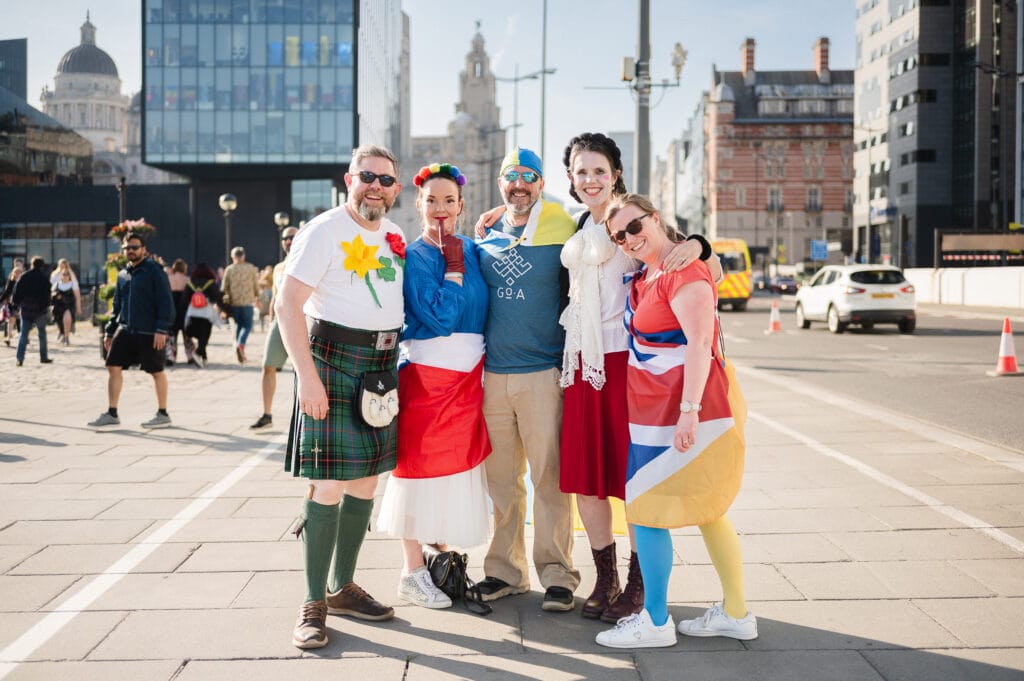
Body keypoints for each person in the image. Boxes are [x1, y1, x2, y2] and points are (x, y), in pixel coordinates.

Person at [555, 133, 721, 623]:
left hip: (630, 368)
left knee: (636, 478)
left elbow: (706, 267)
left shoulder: (634, 223)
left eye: (599, 171)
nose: (590, 180)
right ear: (571, 178)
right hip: (584, 363)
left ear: (616, 174)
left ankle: (637, 580)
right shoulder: (575, 224)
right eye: (581, 171)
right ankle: (604, 577)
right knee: (588, 479)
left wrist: (698, 244)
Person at [595, 194, 756, 648]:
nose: (628, 239)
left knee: (645, 509)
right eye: (619, 236)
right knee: (707, 508)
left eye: (634, 226)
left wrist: (688, 413)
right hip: (656, 410)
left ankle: (657, 621)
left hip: (682, 409)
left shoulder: (682, 270)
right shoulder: (651, 272)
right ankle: (737, 614)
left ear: (656, 218)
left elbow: (699, 342)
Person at [276, 144, 405, 649]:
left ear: (396, 190)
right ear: (349, 179)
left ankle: (342, 586)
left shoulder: (394, 236)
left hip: (379, 368)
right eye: (367, 176)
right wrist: (307, 377)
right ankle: (312, 601)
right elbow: (287, 304)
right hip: (330, 362)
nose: (376, 186)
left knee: (368, 481)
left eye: (386, 180)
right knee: (326, 484)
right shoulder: (324, 230)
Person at [375, 163, 491, 608]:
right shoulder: (415, 256)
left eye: (448, 200)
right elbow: (440, 315)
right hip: (428, 377)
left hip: (468, 378)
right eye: (430, 201)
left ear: (461, 205)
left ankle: (440, 560)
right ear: (418, 204)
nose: (440, 209)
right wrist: (455, 270)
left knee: (454, 471)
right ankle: (411, 570)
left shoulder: (474, 249)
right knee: (418, 471)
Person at [472, 146, 580, 612]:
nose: (519, 184)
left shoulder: (565, 224)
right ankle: (504, 572)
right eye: (511, 176)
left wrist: (697, 247)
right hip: (493, 375)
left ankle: (558, 575)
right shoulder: (485, 233)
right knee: (500, 481)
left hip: (544, 373)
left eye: (529, 176)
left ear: (541, 183)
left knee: (550, 479)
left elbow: (615, 222)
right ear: (501, 183)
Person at [88, 234, 175, 429]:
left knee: (156, 371)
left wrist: (162, 329)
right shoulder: (122, 274)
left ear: (143, 249)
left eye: (134, 247)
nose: (130, 251)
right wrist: (110, 332)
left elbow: (166, 302)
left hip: (149, 331)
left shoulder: (155, 271)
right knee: (113, 365)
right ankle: (112, 413)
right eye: (127, 248)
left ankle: (163, 413)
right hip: (126, 329)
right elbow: (116, 305)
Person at [250, 227, 298, 429]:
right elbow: (275, 295)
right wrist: (271, 318)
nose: (288, 240)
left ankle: (303, 414)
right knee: (268, 365)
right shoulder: (278, 267)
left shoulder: (306, 261)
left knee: (301, 370)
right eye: (285, 238)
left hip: (301, 323)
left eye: (292, 237)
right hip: (279, 322)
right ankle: (267, 414)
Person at [11, 256, 53, 367]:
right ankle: (43, 357)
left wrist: (16, 305)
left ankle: (20, 359)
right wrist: (45, 307)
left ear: (32, 264)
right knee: (42, 334)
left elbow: (16, 292)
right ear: (42, 266)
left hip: (26, 308)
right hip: (39, 309)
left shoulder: (24, 276)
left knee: (23, 335)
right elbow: (47, 296)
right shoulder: (44, 278)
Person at [221, 246, 259, 363]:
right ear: (243, 256)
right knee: (247, 326)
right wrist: (257, 297)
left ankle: (238, 347)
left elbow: (224, 287)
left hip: (234, 303)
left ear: (232, 257)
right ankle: (240, 345)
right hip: (248, 302)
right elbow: (255, 285)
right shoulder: (250, 268)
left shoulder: (229, 269)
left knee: (238, 325)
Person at [182, 263, 223, 367]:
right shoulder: (210, 283)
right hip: (206, 314)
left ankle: (204, 358)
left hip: (193, 313)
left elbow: (185, 299)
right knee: (204, 336)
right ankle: (198, 353)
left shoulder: (190, 283)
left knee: (198, 335)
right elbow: (217, 297)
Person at [49, 259, 82, 347]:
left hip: (68, 304)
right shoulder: (55, 276)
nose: (65, 275)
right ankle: (62, 332)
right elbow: (51, 289)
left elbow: (77, 294)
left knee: (67, 318)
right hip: (58, 305)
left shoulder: (72, 279)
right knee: (59, 320)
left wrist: (79, 307)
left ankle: (66, 337)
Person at [166, 259, 190, 365]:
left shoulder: (169, 279)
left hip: (172, 307)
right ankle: (190, 355)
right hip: (184, 307)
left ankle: (171, 356)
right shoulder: (187, 279)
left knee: (172, 333)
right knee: (186, 332)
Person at [1, 261, 25, 347]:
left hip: (22, 304)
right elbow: (7, 292)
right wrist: (2, 300)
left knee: (22, 321)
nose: (16, 274)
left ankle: (24, 337)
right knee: (11, 319)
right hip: (13, 304)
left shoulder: (23, 282)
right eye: (15, 272)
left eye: (18, 272)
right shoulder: (11, 281)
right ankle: (8, 337)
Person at [257, 265, 274, 332]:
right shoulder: (265, 275)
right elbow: (260, 282)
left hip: (271, 292)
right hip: (266, 293)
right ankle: (263, 327)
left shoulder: (272, 275)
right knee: (263, 312)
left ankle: (269, 326)